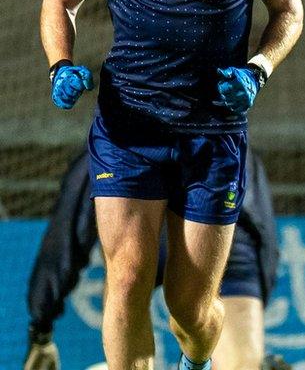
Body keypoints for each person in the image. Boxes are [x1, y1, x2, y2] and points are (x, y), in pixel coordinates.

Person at [39, 0, 303, 368]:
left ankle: (197, 361)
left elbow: (289, 12)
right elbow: (60, 1)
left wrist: (258, 70)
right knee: (129, 278)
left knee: (190, 309)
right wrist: (61, 63)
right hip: (128, 127)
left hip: (214, 133)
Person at [23, 148, 289, 370]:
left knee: (124, 275)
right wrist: (254, 304)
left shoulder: (119, 123)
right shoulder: (231, 132)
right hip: (224, 245)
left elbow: (66, 233)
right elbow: (263, 232)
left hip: (151, 236)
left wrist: (41, 327)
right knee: (241, 364)